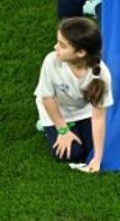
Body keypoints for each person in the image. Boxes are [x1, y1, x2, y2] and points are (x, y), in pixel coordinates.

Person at [34, 17, 115, 173]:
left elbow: (98, 117)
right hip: (54, 111)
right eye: (58, 42)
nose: (55, 47)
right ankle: (45, 126)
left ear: (81, 52)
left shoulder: (101, 74)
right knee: (72, 154)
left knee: (90, 151)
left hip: (82, 113)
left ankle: (75, 130)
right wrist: (62, 130)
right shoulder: (51, 61)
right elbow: (47, 98)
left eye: (62, 45)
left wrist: (97, 158)